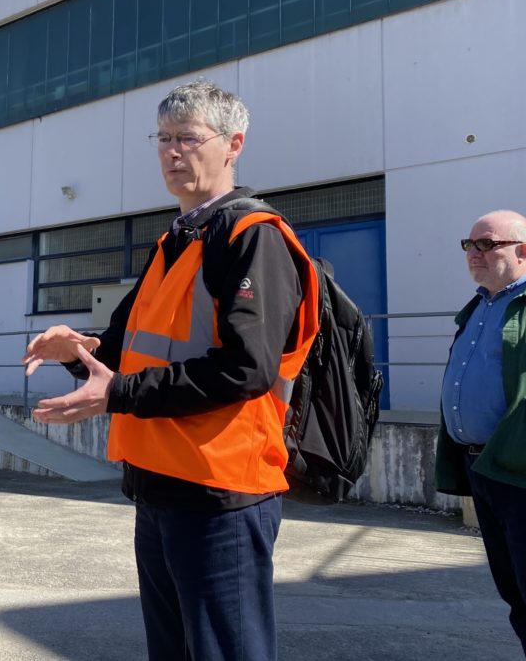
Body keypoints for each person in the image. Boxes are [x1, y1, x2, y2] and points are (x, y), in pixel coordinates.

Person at [22, 81, 318, 660]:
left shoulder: (252, 238)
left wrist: (119, 395)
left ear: (233, 144)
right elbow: (124, 347)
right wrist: (77, 350)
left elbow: (246, 369)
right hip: (159, 483)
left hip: (220, 489)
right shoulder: (177, 240)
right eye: (163, 138)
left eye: (188, 138)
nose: (171, 151)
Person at [434, 210, 526, 661]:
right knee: (518, 599)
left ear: (523, 250)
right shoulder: (480, 305)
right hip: (484, 469)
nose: (473, 253)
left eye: (486, 244)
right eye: (468, 245)